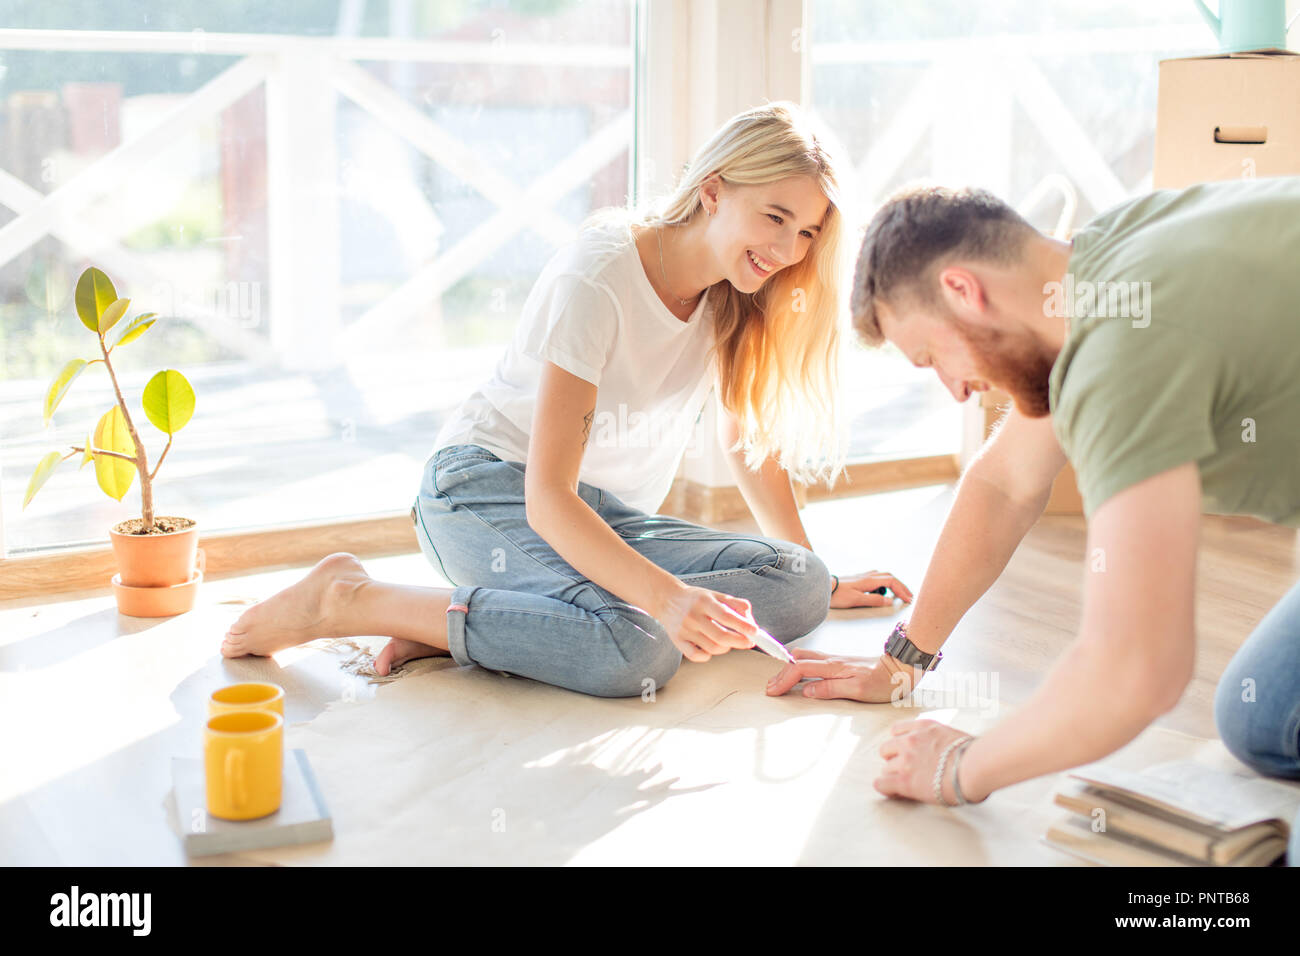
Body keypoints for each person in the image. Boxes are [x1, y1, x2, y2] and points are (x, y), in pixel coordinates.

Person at [221, 101, 912, 697]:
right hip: (485, 493)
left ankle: (493, 628)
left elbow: (742, 441)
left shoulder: (733, 297)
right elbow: (547, 499)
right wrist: (665, 600)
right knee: (637, 647)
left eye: (808, 232)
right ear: (712, 190)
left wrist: (818, 581)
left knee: (795, 583)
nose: (789, 249)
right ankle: (352, 599)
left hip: (605, 522)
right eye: (775, 217)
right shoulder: (603, 275)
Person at [766, 177, 1300, 863]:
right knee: (1262, 721)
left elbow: (1138, 672)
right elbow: (1004, 482)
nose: (956, 389)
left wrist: (961, 769)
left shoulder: (1123, 356)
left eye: (932, 358)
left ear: (963, 289)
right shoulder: (1109, 254)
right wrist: (901, 663)